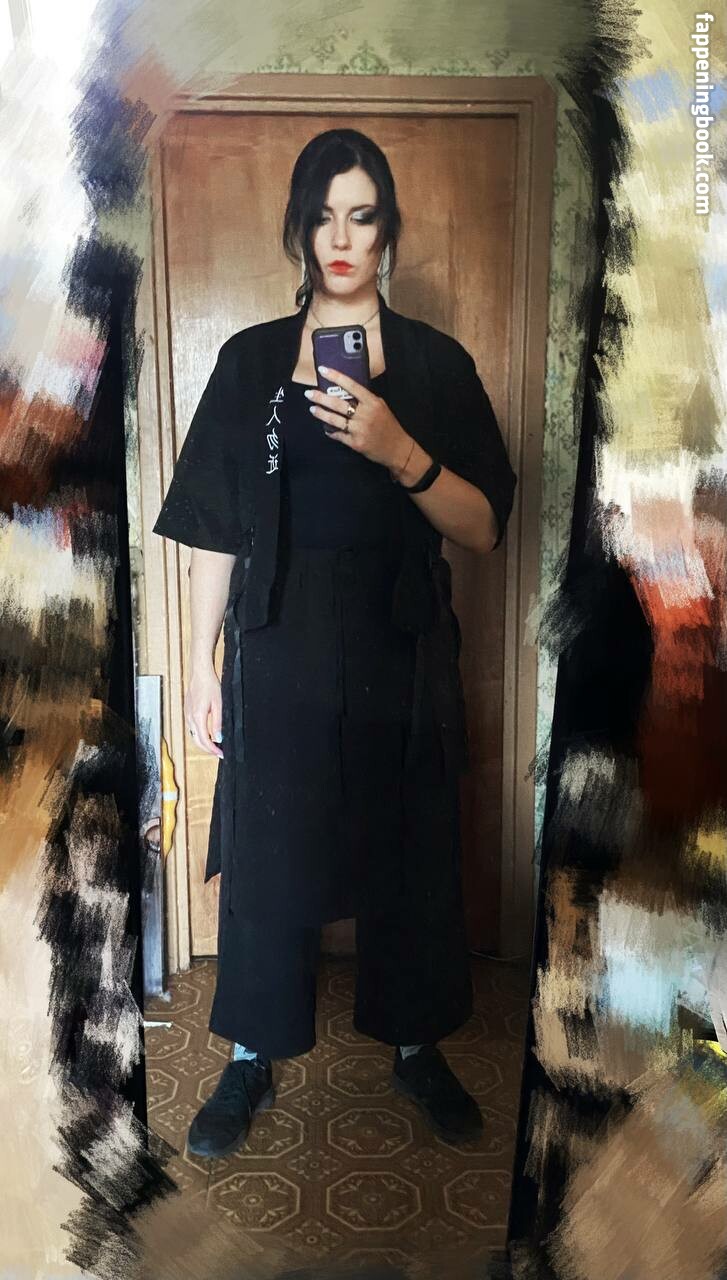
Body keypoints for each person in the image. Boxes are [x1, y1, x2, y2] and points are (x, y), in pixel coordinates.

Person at [153, 128, 517, 1160]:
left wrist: (399, 451)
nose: (341, 238)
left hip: (402, 641)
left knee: (412, 845)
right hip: (279, 637)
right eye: (322, 216)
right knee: (270, 851)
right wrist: (201, 664)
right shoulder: (250, 360)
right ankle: (249, 1055)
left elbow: (484, 526)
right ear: (299, 229)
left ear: (388, 228)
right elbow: (213, 527)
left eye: (362, 215)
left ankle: (414, 1043)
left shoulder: (436, 367)